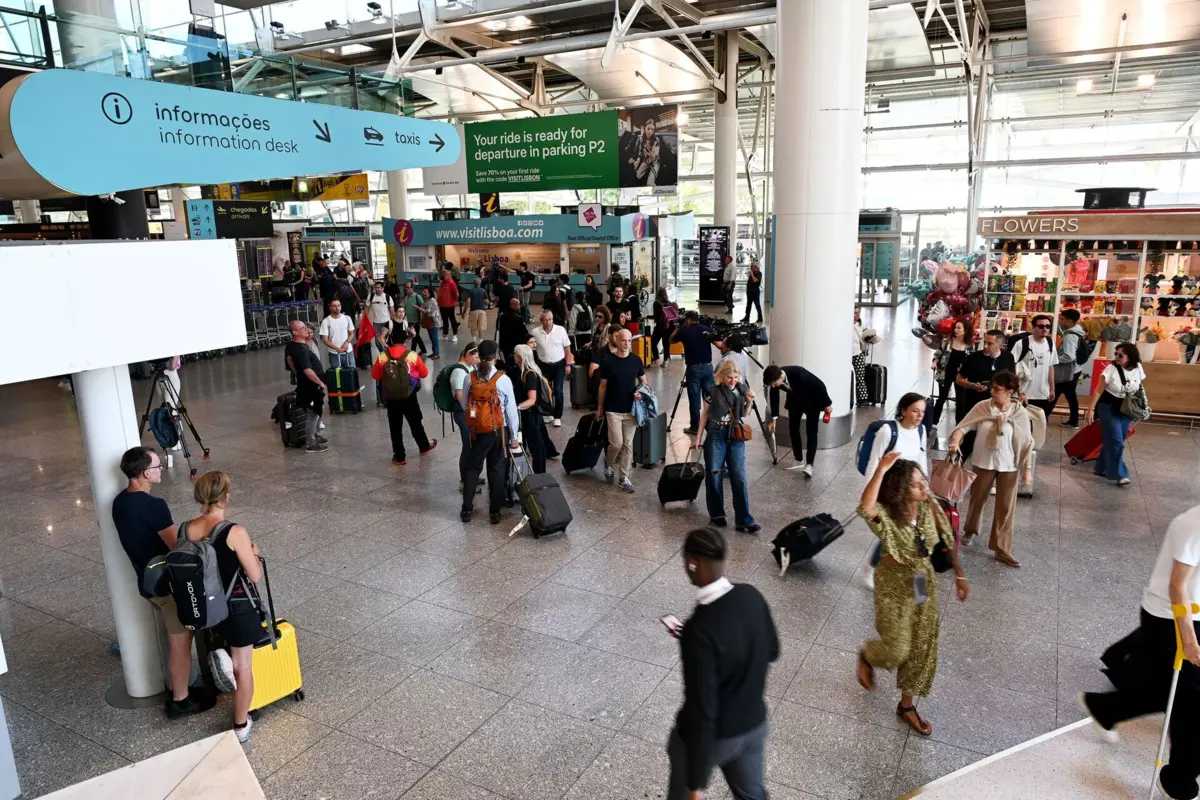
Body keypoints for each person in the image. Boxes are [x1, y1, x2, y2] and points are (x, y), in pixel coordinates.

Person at [1079, 504, 1199, 800]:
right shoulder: (1192, 524)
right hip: (1169, 619)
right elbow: (1178, 586)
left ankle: (1105, 709)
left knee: (1169, 690)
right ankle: (1178, 779)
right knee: (1192, 702)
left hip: (1191, 617)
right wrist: (1189, 640)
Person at [856, 452, 968, 737]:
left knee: (921, 647)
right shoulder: (888, 515)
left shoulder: (929, 505)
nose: (924, 487)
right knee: (897, 648)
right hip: (893, 587)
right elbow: (866, 506)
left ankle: (906, 706)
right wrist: (881, 468)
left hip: (922, 582)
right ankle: (868, 655)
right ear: (901, 489)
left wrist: (959, 574)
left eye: (923, 481)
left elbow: (947, 537)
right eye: (917, 484)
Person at [666, 527, 778, 800]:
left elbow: (702, 710)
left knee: (678, 753)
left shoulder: (699, 630)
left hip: (717, 738)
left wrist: (696, 785)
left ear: (693, 562)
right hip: (753, 724)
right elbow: (772, 650)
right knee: (752, 795)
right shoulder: (751, 595)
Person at [113, 446, 215, 719]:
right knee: (180, 641)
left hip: (146, 581)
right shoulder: (154, 506)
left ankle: (178, 687)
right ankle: (180, 700)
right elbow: (177, 547)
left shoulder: (119, 502)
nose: (161, 471)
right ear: (146, 473)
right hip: (167, 586)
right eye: (158, 467)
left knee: (173, 636)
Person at [181, 471, 264, 744]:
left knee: (225, 649)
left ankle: (220, 658)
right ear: (225, 496)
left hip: (202, 609)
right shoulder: (234, 531)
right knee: (244, 667)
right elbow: (254, 575)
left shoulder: (184, 530)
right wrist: (253, 553)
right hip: (236, 608)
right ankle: (241, 724)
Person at [948, 371, 1034, 568]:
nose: (992, 391)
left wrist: (1027, 470)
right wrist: (955, 441)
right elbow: (963, 427)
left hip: (1009, 465)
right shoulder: (982, 407)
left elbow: (1027, 442)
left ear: (1010, 392)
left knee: (1006, 507)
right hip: (983, 462)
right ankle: (970, 530)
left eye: (997, 389)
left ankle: (1002, 549)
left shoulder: (1020, 413)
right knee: (977, 499)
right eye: (992, 387)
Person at [694, 360, 759, 532]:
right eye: (729, 377)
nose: (732, 381)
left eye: (735, 377)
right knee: (714, 474)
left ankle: (744, 518)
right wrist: (698, 437)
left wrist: (750, 402)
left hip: (735, 435)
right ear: (722, 376)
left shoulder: (741, 389)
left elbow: (744, 413)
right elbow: (705, 414)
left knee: (739, 476)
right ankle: (717, 513)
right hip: (716, 434)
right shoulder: (712, 391)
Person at [461, 340, 520, 524]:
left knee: (473, 468)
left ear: (479, 356)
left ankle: (467, 509)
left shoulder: (469, 378)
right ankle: (495, 511)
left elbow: (464, 404)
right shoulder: (503, 379)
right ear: (495, 357)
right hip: (498, 431)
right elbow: (510, 411)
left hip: (477, 430)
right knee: (497, 469)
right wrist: (514, 435)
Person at [370, 329, 436, 466]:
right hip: (409, 395)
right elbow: (424, 373)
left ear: (391, 340)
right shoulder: (411, 355)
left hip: (391, 396)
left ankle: (399, 457)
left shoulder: (382, 356)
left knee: (395, 426)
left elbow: (375, 375)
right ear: (405, 341)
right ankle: (423, 446)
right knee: (415, 422)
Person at [1085, 341, 1145, 487]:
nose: (1117, 357)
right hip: (1108, 407)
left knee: (1116, 440)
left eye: (1121, 355)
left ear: (1130, 357)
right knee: (1116, 441)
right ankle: (1120, 474)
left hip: (1126, 409)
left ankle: (1100, 468)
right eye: (1116, 354)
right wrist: (1090, 409)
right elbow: (1099, 390)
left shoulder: (1138, 368)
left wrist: (1143, 406)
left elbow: (1139, 388)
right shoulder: (1111, 369)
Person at [595, 328, 647, 493]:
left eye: (629, 341)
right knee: (616, 443)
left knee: (627, 444)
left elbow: (644, 383)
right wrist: (600, 408)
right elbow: (602, 386)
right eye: (623, 340)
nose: (626, 344)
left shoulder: (636, 360)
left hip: (631, 409)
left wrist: (641, 393)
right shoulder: (608, 361)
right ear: (617, 340)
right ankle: (609, 462)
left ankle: (624, 477)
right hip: (613, 409)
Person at [763, 364, 833, 478]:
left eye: (775, 383)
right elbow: (774, 396)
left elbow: (819, 385)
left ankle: (809, 464)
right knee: (793, 428)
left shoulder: (800, 374)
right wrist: (774, 418)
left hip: (811, 402)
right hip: (794, 401)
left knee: (811, 432)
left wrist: (827, 404)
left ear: (781, 377)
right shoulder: (774, 378)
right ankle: (798, 458)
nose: (773, 386)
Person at [954, 329, 1016, 426]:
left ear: (1000, 345)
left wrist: (1020, 393)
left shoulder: (1008, 357)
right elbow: (959, 379)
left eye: (990, 343)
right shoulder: (973, 357)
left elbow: (1013, 378)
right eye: (985, 342)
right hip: (975, 405)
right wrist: (973, 385)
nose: (985, 346)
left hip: (999, 407)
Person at [285, 321, 328, 453]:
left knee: (318, 409)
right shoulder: (301, 349)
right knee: (313, 414)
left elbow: (289, 360)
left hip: (308, 383)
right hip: (311, 385)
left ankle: (315, 435)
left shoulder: (292, 346)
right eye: (303, 328)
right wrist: (319, 383)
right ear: (295, 332)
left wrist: (297, 373)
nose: (306, 330)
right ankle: (311, 443)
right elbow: (308, 370)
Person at [672, 311, 716, 435]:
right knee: (709, 398)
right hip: (708, 367)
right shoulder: (706, 329)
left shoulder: (685, 331)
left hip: (693, 368)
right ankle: (710, 426)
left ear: (688, 319)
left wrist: (678, 328)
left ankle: (695, 427)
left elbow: (671, 340)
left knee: (694, 399)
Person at [513, 344, 552, 474]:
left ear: (520, 357)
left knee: (536, 447)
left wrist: (517, 407)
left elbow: (532, 399)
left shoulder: (529, 375)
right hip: (533, 416)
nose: (514, 357)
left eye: (515, 354)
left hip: (531, 416)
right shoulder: (529, 371)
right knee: (537, 446)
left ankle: (539, 475)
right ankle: (539, 474)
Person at [531, 310, 574, 428]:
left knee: (558, 391)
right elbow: (532, 347)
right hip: (543, 365)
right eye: (545, 320)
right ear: (541, 321)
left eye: (550, 319)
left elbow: (567, 348)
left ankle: (557, 416)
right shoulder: (535, 332)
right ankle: (547, 412)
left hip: (558, 365)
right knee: (544, 390)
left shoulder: (560, 330)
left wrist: (567, 364)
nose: (548, 322)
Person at [929, 319, 972, 427]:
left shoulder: (969, 347)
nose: (955, 330)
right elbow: (938, 354)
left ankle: (959, 424)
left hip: (961, 377)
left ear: (965, 330)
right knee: (941, 398)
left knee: (961, 400)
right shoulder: (947, 342)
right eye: (955, 327)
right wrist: (935, 362)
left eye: (959, 328)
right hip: (945, 374)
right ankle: (934, 422)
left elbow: (971, 362)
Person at [449, 343, 481, 488]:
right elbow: (460, 396)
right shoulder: (459, 371)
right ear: (467, 354)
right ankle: (465, 478)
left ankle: (472, 474)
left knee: (473, 444)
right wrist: (472, 411)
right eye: (475, 356)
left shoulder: (472, 367)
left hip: (472, 412)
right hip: (464, 413)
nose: (478, 359)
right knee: (468, 445)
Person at [1014, 314, 1055, 418]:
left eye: (1048, 326)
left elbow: (1051, 367)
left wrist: (1052, 389)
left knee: (1039, 424)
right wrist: (1020, 392)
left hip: (1042, 393)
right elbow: (1013, 370)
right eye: (1041, 326)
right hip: (1024, 393)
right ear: (1033, 328)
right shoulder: (1022, 344)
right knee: (1023, 425)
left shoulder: (1050, 343)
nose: (1045, 329)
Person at [1053, 308, 1086, 429]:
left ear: (1069, 321)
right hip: (1075, 369)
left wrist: (1055, 360)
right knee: (1069, 395)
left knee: (1055, 393)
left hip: (1068, 371)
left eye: (1062, 319)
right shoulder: (1077, 332)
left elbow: (1069, 356)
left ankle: (1044, 415)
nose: (1060, 321)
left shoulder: (1071, 336)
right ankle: (1073, 420)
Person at [319, 299, 356, 370]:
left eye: (339, 305)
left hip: (348, 352)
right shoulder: (326, 321)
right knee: (337, 376)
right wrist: (337, 349)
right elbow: (325, 340)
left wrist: (347, 342)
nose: (337, 308)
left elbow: (352, 333)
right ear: (330, 307)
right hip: (334, 354)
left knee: (351, 374)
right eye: (334, 306)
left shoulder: (347, 318)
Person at [497, 297, 529, 373]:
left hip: (505, 344)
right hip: (516, 345)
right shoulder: (519, 318)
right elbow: (524, 332)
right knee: (517, 363)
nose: (519, 307)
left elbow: (498, 328)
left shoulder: (502, 315)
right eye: (518, 305)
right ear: (516, 306)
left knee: (508, 362)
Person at [651, 287, 678, 367]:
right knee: (666, 344)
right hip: (670, 326)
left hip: (661, 326)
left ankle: (656, 359)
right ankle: (665, 361)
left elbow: (656, 316)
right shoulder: (669, 303)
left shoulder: (656, 303)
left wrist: (647, 317)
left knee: (653, 342)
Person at [364, 281, 394, 346]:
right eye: (376, 287)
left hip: (386, 322)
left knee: (387, 341)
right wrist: (365, 320)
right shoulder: (371, 297)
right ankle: (382, 353)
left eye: (379, 287)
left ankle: (388, 355)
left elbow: (392, 310)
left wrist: (393, 321)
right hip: (376, 323)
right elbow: (366, 308)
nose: (377, 289)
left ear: (383, 288)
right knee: (377, 343)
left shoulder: (388, 297)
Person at [402, 283, 426, 354]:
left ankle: (413, 350)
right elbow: (405, 309)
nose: (406, 289)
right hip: (409, 320)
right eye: (405, 287)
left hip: (416, 320)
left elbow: (423, 307)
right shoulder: (406, 298)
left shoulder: (417, 297)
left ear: (412, 288)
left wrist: (422, 319)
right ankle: (422, 350)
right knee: (416, 335)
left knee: (415, 335)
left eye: (408, 287)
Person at [437, 269, 460, 341]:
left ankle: (455, 335)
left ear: (446, 275)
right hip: (442, 305)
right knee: (445, 320)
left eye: (443, 275)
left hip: (450, 305)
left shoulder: (451, 283)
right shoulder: (442, 283)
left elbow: (456, 294)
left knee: (452, 320)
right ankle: (445, 335)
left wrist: (453, 301)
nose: (441, 277)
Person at [420, 286, 442, 360]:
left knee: (434, 338)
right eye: (423, 292)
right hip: (429, 322)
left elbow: (428, 311)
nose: (423, 293)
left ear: (430, 293)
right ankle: (434, 352)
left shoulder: (432, 300)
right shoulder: (427, 300)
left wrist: (419, 308)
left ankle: (437, 354)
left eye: (425, 292)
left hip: (433, 322)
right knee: (432, 338)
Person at [465, 277, 488, 343]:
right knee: (481, 327)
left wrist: (466, 311)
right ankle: (480, 342)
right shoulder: (483, 291)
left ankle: (474, 341)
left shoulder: (471, 291)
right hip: (482, 311)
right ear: (480, 283)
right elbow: (487, 301)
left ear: (473, 283)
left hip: (473, 311)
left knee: (473, 327)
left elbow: (468, 301)